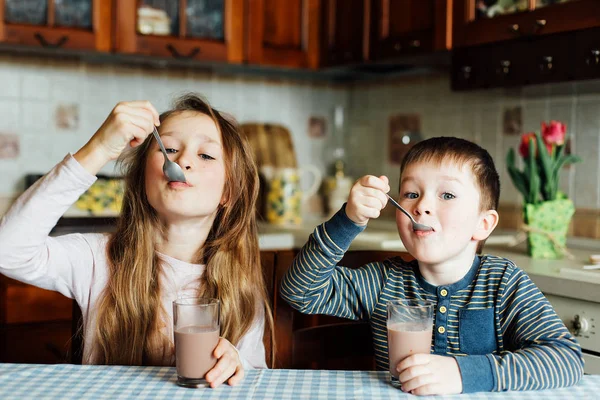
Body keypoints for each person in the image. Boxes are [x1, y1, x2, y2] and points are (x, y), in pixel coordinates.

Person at [0, 93, 273, 388]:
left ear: (227, 194)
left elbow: (255, 377)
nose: (183, 160)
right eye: (168, 149)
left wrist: (236, 364)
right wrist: (99, 148)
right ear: (143, 177)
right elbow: (8, 251)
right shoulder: (97, 258)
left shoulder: (239, 283)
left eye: (205, 155)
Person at [280, 136, 584, 395]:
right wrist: (348, 220)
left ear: (483, 224)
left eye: (447, 195)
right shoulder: (384, 282)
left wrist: (462, 373)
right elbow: (300, 292)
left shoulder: (503, 282)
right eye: (411, 193)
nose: (421, 205)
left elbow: (565, 359)